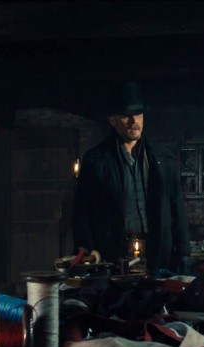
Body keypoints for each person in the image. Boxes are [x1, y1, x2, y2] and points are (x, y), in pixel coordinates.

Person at [72, 81, 191, 276]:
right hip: (113, 249)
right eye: (126, 116)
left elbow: (176, 206)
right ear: (113, 120)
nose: (134, 121)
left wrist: (184, 251)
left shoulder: (163, 158)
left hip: (156, 248)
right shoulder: (96, 160)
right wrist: (86, 248)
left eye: (138, 115)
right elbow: (82, 210)